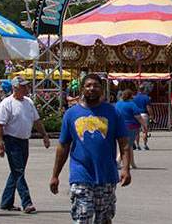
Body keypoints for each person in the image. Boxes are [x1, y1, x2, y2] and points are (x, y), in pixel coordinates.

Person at [50, 73, 132, 223]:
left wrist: (126, 168)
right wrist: (55, 175)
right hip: (80, 174)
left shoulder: (113, 113)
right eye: (88, 85)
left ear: (102, 89)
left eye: (96, 85)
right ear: (81, 89)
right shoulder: (71, 114)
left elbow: (124, 143)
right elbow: (63, 146)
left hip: (107, 175)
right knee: (83, 215)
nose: (92, 88)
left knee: (104, 219)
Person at [0, 77, 50, 214]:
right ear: (15, 88)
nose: (27, 88)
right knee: (18, 171)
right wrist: (0, 144)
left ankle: (6, 202)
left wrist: (44, 135)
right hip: (11, 141)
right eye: (24, 86)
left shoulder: (28, 102)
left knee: (17, 171)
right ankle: (27, 202)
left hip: (24, 141)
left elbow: (36, 120)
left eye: (26, 86)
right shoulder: (6, 103)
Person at [115, 90, 148, 169]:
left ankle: (132, 163)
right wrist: (144, 125)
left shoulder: (118, 104)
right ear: (130, 96)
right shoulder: (131, 104)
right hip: (131, 126)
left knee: (129, 145)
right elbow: (138, 116)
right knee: (127, 145)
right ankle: (117, 161)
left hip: (119, 126)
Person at [132, 84, 152, 150]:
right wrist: (151, 115)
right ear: (144, 90)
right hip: (144, 114)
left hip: (136, 114)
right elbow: (148, 107)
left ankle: (137, 145)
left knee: (137, 131)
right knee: (144, 130)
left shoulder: (134, 98)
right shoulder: (146, 97)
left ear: (138, 89)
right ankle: (145, 144)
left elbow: (133, 107)